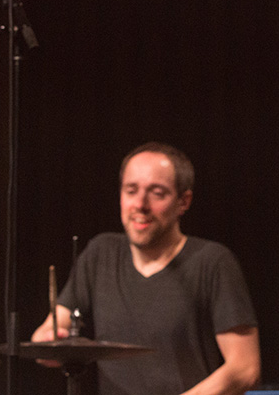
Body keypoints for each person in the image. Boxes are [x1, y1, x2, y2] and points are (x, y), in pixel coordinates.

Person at [32, 142, 261, 395]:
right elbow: (51, 329)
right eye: (131, 191)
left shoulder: (213, 262)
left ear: (184, 201)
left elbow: (245, 369)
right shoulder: (100, 253)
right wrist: (47, 343)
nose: (140, 204)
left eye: (157, 193)